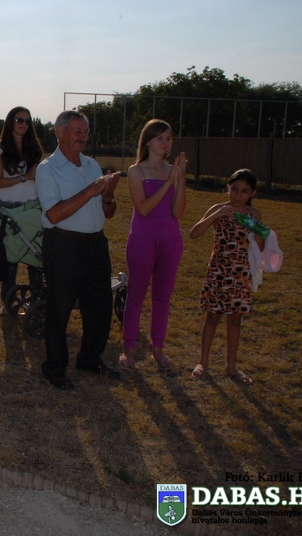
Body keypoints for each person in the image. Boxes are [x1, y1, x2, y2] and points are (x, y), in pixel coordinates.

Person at [35, 111, 121, 390]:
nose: (83, 136)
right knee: (59, 309)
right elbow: (54, 214)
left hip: (96, 245)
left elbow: (108, 212)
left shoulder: (92, 165)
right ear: (60, 132)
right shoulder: (47, 169)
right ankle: (55, 367)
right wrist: (91, 191)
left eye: (86, 131)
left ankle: (90, 359)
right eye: (77, 131)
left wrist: (108, 196)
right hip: (64, 245)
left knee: (100, 307)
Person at [118, 120, 186, 373]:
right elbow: (144, 208)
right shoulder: (136, 171)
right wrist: (168, 182)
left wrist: (179, 180)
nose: (165, 143)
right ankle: (129, 349)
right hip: (142, 240)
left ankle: (158, 348)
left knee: (162, 298)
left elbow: (177, 212)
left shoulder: (173, 170)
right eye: (160, 138)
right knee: (135, 296)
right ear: (147, 141)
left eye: (168, 138)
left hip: (170, 240)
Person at [189, 169, 266, 384]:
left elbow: (260, 247)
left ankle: (231, 366)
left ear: (252, 193)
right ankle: (203, 362)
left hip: (241, 274)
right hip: (218, 272)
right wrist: (216, 215)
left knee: (235, 320)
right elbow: (194, 233)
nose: (238, 195)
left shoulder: (254, 214)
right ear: (227, 188)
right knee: (212, 317)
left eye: (244, 191)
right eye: (234, 189)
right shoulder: (218, 209)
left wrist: (257, 231)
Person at [0, 106, 44, 310]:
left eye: (28, 121)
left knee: (36, 254)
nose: (24, 124)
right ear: (10, 122)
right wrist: (25, 177)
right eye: (19, 120)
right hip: (10, 209)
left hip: (33, 208)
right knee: (10, 258)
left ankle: (38, 298)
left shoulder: (34, 147)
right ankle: (8, 301)